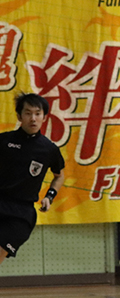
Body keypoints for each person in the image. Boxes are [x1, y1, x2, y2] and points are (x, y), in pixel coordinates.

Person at [0, 94, 65, 266]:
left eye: (37, 113)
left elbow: (59, 176)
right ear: (19, 116)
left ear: (44, 117)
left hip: (21, 213)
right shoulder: (4, 141)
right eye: (28, 113)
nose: (33, 118)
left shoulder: (49, 149)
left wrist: (49, 196)